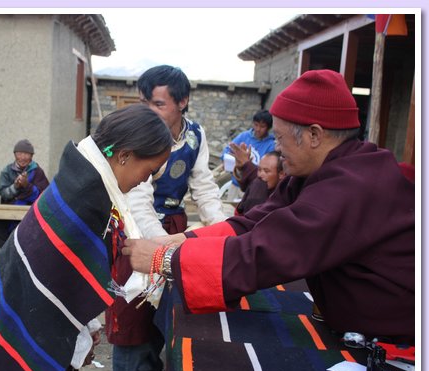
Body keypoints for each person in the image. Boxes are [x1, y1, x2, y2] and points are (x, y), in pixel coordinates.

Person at [122, 69, 414, 348]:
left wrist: (166, 259)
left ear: (314, 135)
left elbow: (268, 251)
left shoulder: (353, 185)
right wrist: (181, 241)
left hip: (396, 338)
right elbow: (254, 222)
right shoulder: (310, 175)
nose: (277, 147)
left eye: (281, 138)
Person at [0, 104, 173, 371]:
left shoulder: (83, 179)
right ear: (123, 156)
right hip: (33, 331)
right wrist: (77, 344)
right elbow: (52, 296)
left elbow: (67, 282)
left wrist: (86, 327)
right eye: (149, 170)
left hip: (24, 318)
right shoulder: (87, 201)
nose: (146, 180)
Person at [105, 65, 226, 371]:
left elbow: (203, 187)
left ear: (182, 102)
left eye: (158, 104)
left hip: (173, 227)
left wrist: (223, 233)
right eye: (145, 102)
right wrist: (160, 249)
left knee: (168, 308)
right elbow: (138, 200)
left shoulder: (194, 136)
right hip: (135, 231)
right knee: (131, 312)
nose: (149, 111)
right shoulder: (136, 134)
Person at [0, 139, 49, 248]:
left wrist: (26, 185)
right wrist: (15, 187)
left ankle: (20, 249)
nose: (22, 157)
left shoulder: (38, 172)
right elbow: (4, 194)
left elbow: (42, 196)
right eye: (19, 153)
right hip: (10, 213)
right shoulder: (7, 171)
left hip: (29, 214)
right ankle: (7, 248)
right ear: (14, 154)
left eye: (26, 154)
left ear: (31, 156)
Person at [220, 109, 276, 202]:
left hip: (253, 189)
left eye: (262, 126)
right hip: (236, 184)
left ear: (268, 128)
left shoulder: (270, 145)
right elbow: (228, 150)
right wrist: (225, 159)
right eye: (256, 125)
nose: (258, 129)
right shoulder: (244, 136)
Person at [233, 150, 284, 215]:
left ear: (281, 174)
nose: (260, 175)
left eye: (266, 171)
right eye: (259, 170)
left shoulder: (286, 194)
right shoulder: (257, 184)